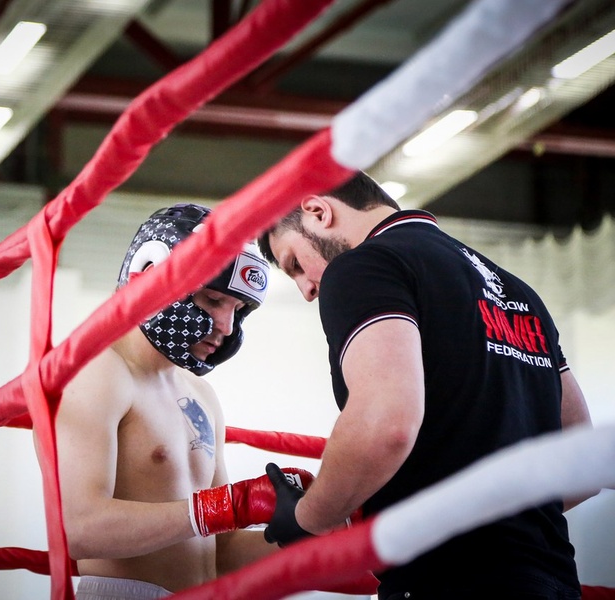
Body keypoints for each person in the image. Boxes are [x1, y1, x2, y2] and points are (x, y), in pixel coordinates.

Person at [257, 171, 597, 600]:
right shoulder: (517, 291)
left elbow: (387, 423)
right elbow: (580, 459)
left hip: (449, 581)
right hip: (551, 581)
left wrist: (309, 518)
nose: (307, 288)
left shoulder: (364, 265)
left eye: (294, 264)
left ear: (318, 212)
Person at [55, 203, 311, 599]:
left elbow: (220, 551)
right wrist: (227, 506)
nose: (226, 328)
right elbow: (80, 529)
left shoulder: (198, 393)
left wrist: (313, 526)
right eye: (212, 300)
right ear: (151, 277)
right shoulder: (96, 374)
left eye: (238, 310)